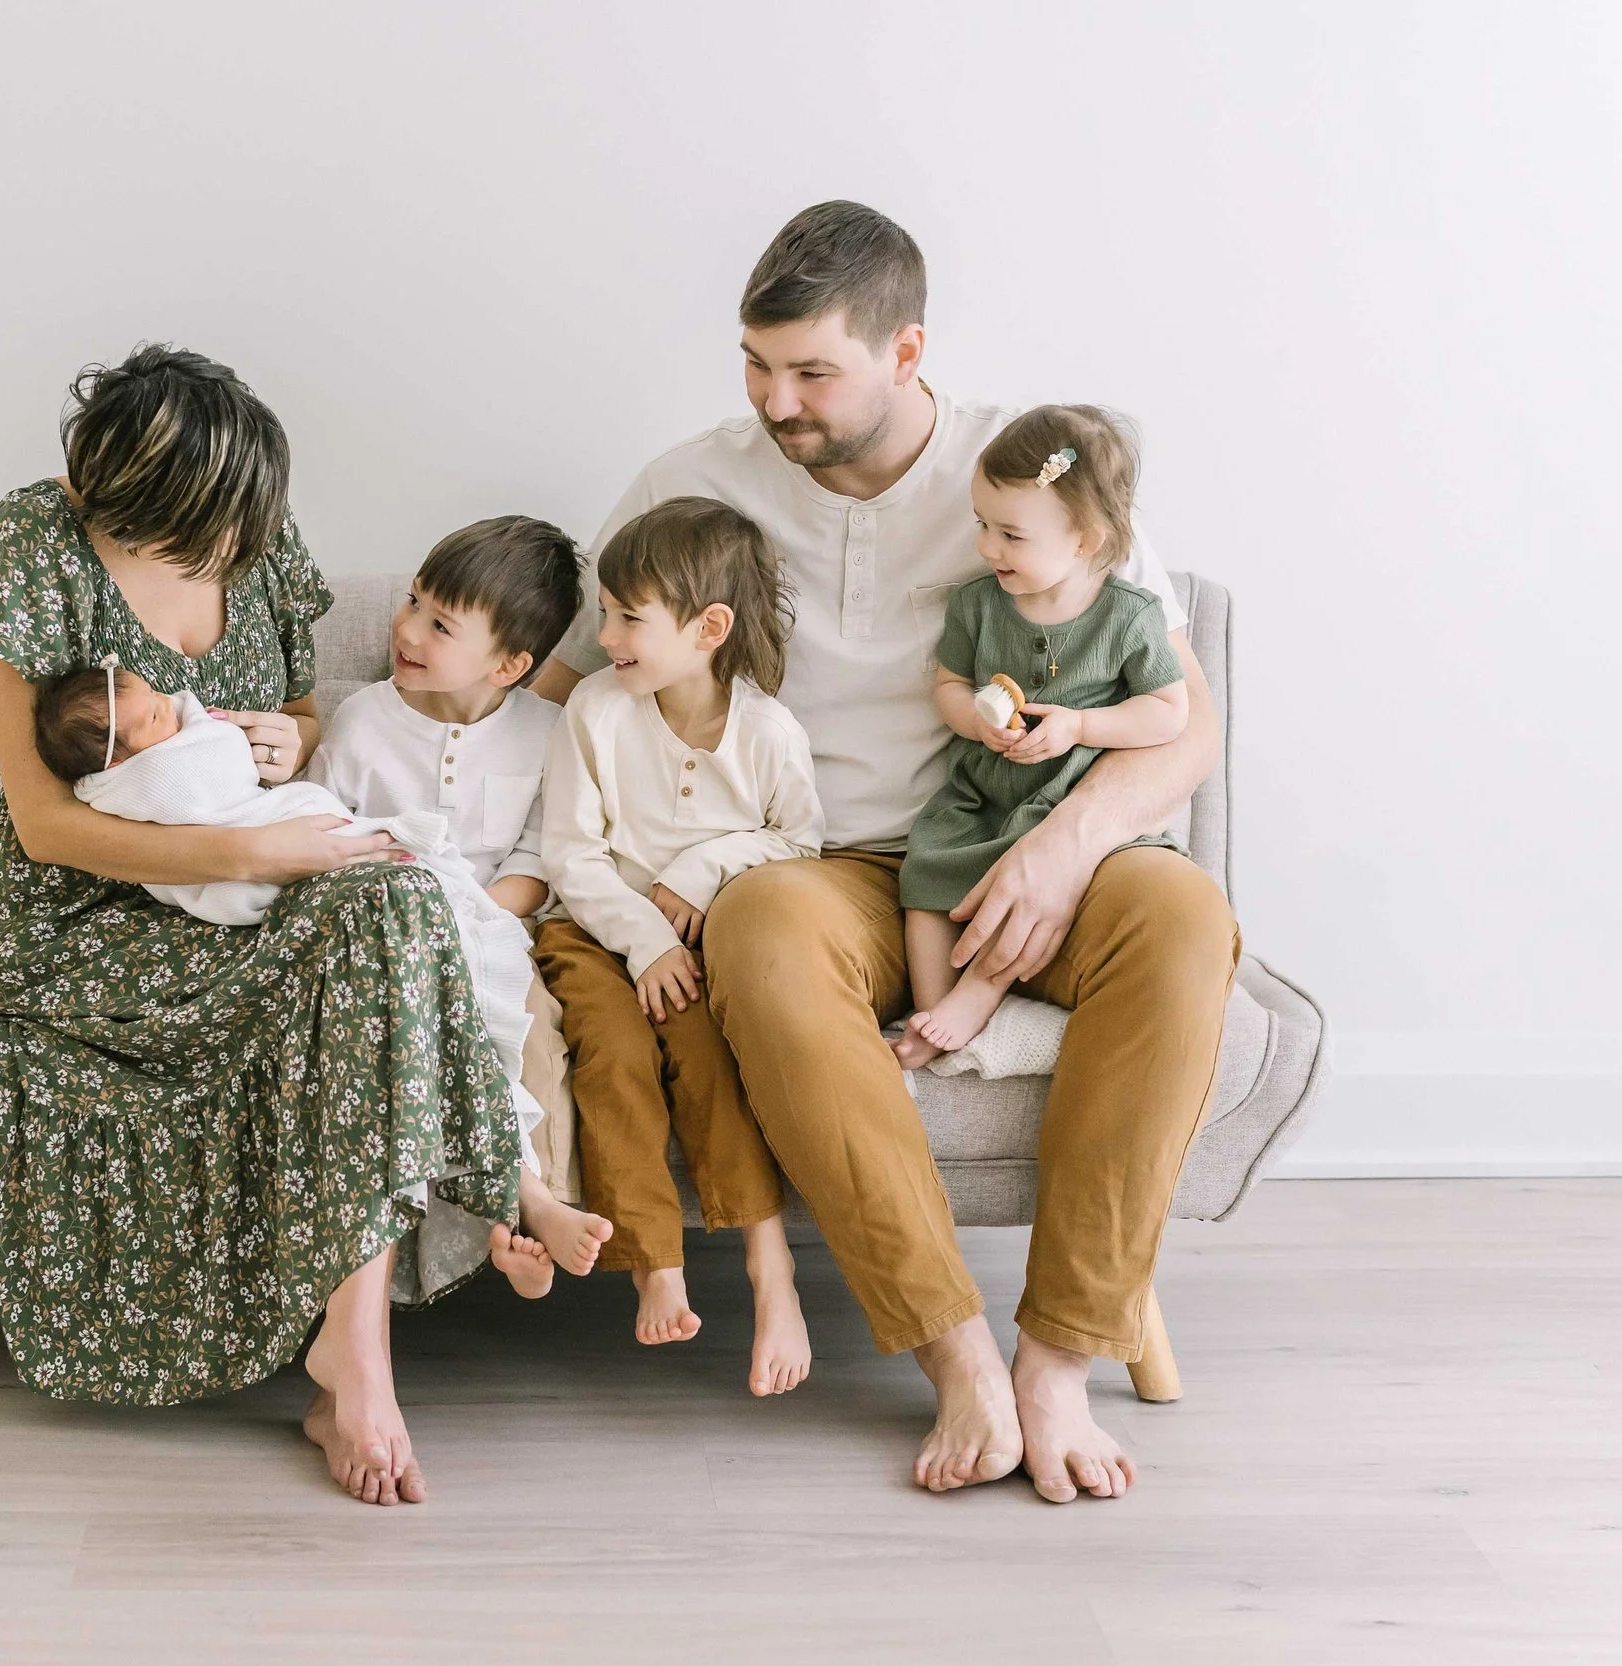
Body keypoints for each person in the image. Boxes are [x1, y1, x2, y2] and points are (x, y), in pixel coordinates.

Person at [531, 203, 1241, 1502]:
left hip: (1029, 834)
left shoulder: (1034, 473)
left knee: (1186, 919)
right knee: (754, 924)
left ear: (908, 352)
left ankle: (1060, 1361)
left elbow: (1186, 729)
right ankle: (957, 1350)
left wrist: (1071, 845)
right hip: (822, 864)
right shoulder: (691, 482)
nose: (776, 400)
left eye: (813, 372)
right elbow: (573, 679)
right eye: (757, 364)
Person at [0, 343, 519, 1509]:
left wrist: (288, 742)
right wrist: (250, 848)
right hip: (93, 912)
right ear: (124, 505)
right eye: (206, 539)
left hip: (260, 879)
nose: (233, 555)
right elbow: (46, 824)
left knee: (397, 895)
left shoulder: (252, 531)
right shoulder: (31, 543)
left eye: (240, 533)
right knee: (371, 922)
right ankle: (359, 1351)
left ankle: (348, 1347)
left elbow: (304, 708)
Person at [31, 652, 571, 1298]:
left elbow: (289, 733)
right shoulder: (149, 777)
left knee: (456, 1005)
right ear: (117, 762)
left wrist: (275, 741)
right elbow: (214, 776)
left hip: (322, 864)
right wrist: (227, 751)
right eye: (152, 714)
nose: (172, 705)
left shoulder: (539, 726)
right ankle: (517, 1194)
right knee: (447, 989)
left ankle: (522, 1194)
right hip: (261, 889)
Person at [535, 496, 826, 1397]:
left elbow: (801, 844)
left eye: (628, 617)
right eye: (605, 609)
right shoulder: (595, 710)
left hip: (691, 951)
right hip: (591, 930)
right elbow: (570, 855)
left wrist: (702, 871)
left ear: (708, 629)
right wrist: (646, 936)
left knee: (709, 1058)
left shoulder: (769, 733)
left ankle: (768, 1269)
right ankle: (655, 1261)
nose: (605, 632)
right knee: (613, 1058)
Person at [307, 516, 619, 1292]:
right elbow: (317, 836)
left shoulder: (550, 731)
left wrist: (476, 913)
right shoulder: (362, 723)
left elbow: (538, 857)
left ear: (512, 664)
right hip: (387, 936)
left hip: (496, 927)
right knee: (427, 1030)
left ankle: (533, 1211)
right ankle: (523, 1207)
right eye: (413, 601)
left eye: (439, 623)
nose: (406, 628)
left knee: (532, 1032)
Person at [892, 405, 1188, 1065]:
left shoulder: (1128, 616)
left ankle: (980, 993)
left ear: (1085, 539)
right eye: (982, 525)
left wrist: (1080, 725)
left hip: (1064, 795)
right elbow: (948, 686)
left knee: (1023, 886)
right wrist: (975, 719)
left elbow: (1168, 712)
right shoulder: (977, 604)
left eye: (1011, 535)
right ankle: (934, 1008)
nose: (987, 547)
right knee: (927, 871)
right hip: (984, 791)